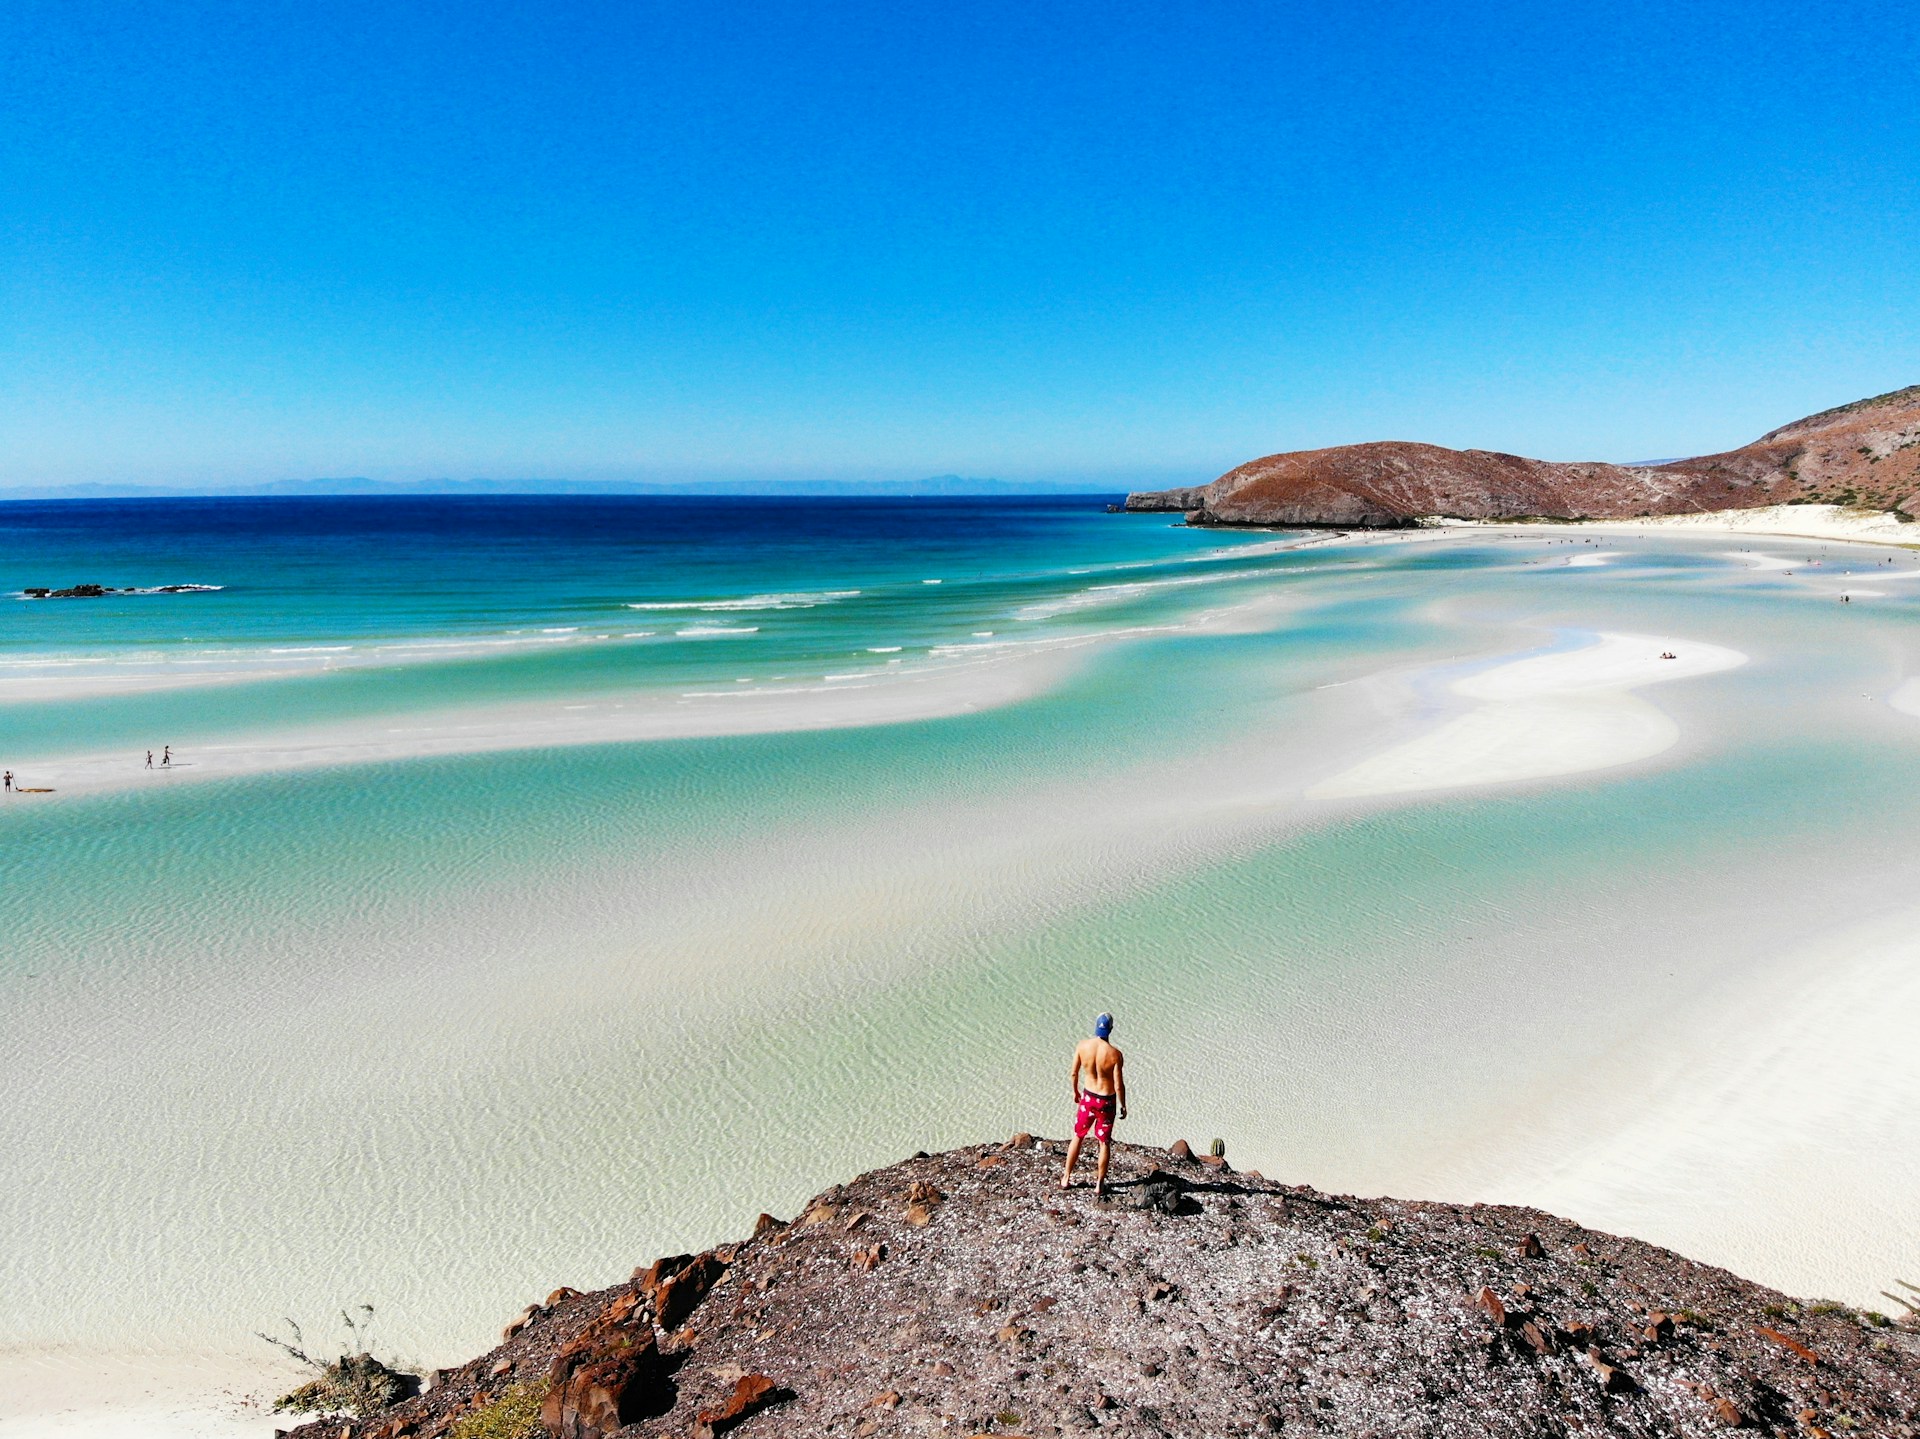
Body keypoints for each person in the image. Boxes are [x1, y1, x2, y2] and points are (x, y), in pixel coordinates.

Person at [1060, 1013, 1127, 1196]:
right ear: (1111, 1029)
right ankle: (1099, 1184)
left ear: (1096, 1026)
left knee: (1078, 1136)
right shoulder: (1115, 1054)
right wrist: (1123, 1105)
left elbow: (1073, 1073)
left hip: (1088, 1097)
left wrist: (1075, 1092)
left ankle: (1066, 1177)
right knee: (1104, 1142)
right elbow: (1118, 1084)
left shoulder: (1083, 1046)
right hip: (1106, 1100)